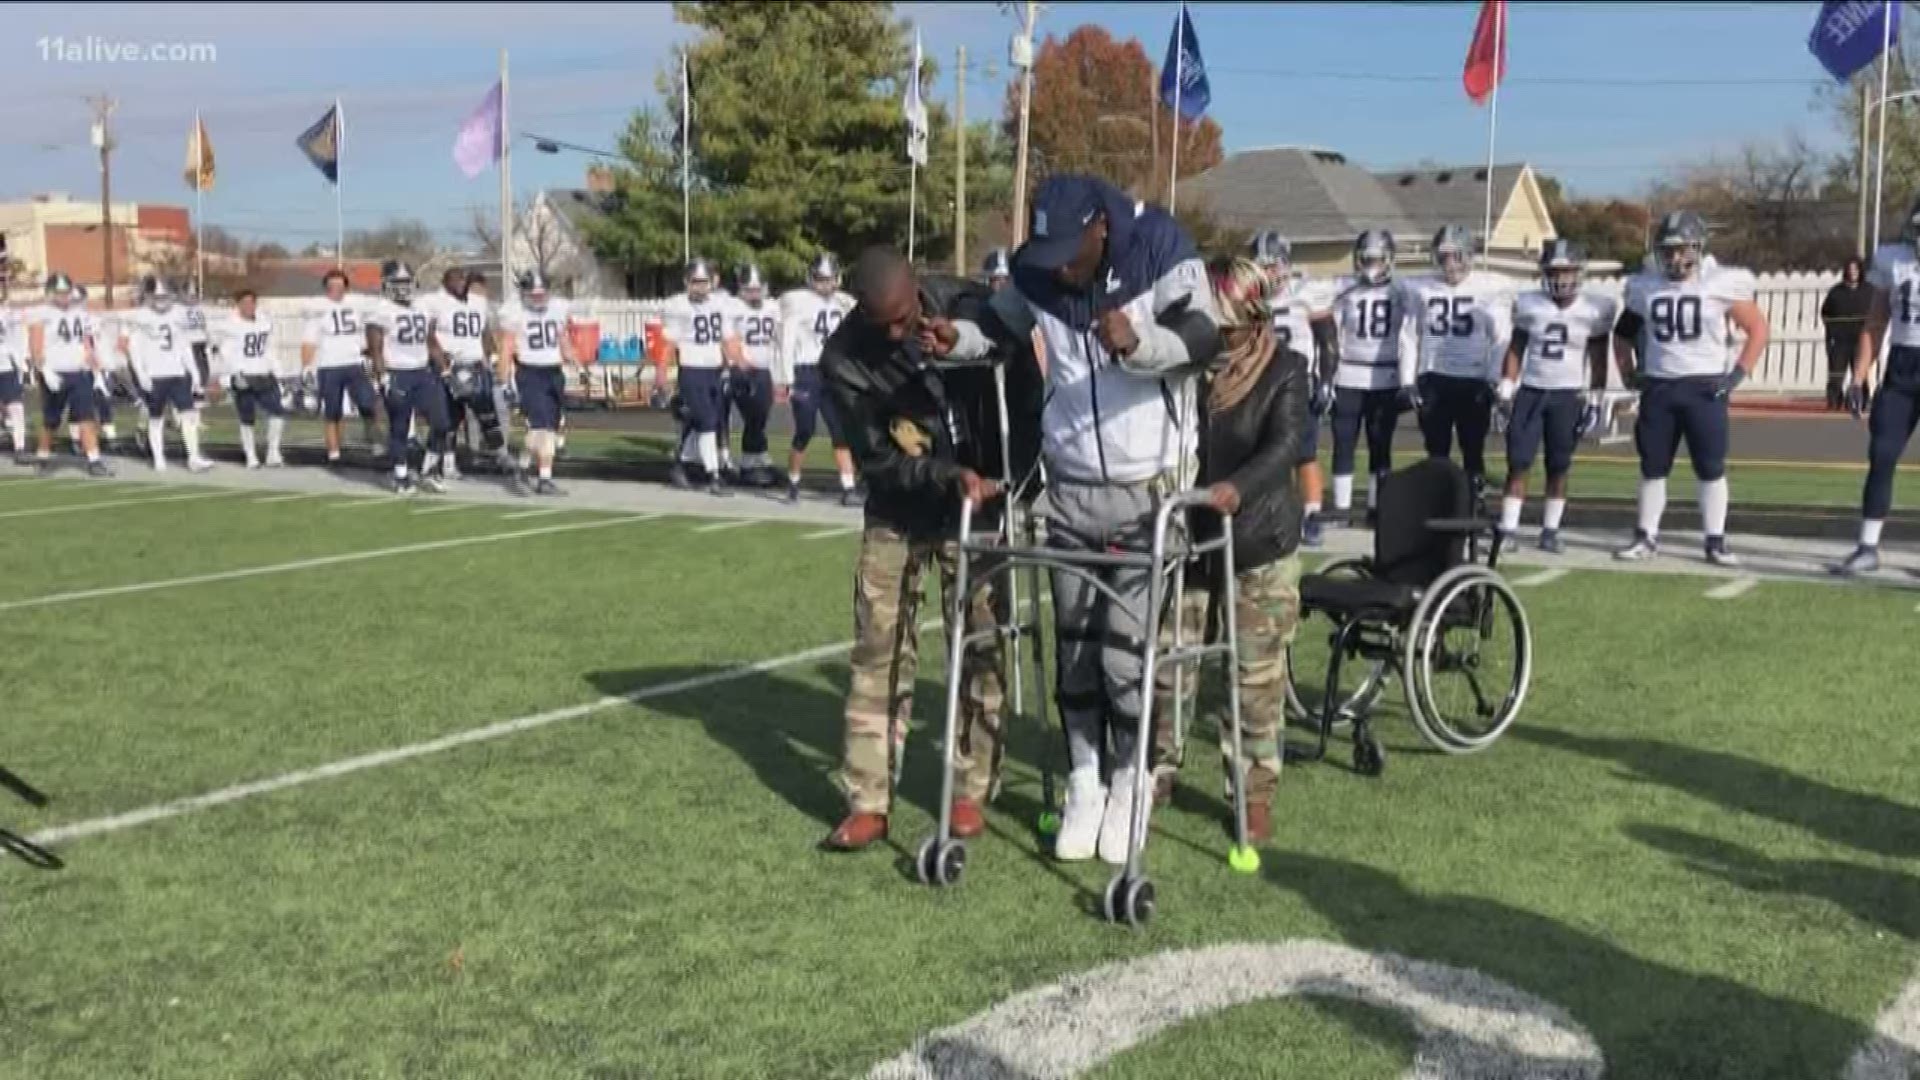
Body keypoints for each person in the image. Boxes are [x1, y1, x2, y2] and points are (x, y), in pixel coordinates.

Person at [947, 173, 1222, 865]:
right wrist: (948, 337)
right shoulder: (1041, 272)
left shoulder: (1161, 247)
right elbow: (998, 327)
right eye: (1050, 252)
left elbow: (1202, 335)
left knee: (1123, 653)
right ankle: (1084, 780)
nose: (1060, 266)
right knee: (1073, 647)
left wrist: (1139, 341)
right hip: (1068, 486)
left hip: (1147, 491)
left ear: (1102, 227)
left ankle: (1130, 780)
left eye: (1072, 250)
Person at [818, 246, 1034, 852]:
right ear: (860, 309)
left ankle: (971, 788)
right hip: (901, 505)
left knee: (982, 644)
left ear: (919, 287)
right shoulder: (842, 358)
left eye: (904, 314)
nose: (897, 330)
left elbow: (1021, 377)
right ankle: (868, 800)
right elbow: (878, 460)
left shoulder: (969, 306)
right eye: (882, 322)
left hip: (981, 501)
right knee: (878, 650)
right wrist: (944, 474)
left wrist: (1012, 471)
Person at [1149, 256, 1309, 843]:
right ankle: (1158, 769)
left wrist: (1235, 489)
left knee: (1252, 677)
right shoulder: (1185, 367)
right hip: (1191, 542)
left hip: (1258, 541)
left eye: (1227, 328)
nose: (1216, 338)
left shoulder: (1285, 369)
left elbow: (1287, 442)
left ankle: (1252, 790)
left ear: (1254, 320)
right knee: (1170, 664)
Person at [1612, 209, 1768, 566]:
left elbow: (1758, 328)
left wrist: (1736, 376)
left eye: (1682, 249)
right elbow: (1621, 335)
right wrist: (1629, 373)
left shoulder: (1719, 283)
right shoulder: (1646, 286)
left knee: (1710, 466)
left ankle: (1715, 540)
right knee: (1652, 466)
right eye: (1668, 250)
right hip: (1660, 387)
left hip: (1704, 387)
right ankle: (1646, 536)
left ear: (1698, 247)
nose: (1674, 257)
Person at [1495, 240, 1617, 553]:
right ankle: (1508, 528)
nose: (1561, 279)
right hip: (1532, 391)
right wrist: (1506, 389)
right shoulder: (1528, 304)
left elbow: (1599, 359)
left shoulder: (1595, 309)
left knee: (1559, 466)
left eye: (1567, 272)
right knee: (1518, 463)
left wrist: (1595, 399)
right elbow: (1516, 348)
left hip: (1568, 395)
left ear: (1580, 273)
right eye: (1554, 272)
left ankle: (1550, 530)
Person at [1834, 199, 1920, 575]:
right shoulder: (1894, 259)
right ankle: (1868, 546)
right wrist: (1859, 374)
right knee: (1882, 453)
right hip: (1903, 365)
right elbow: (1876, 320)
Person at [1401, 225, 1511, 500]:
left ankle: (1476, 503)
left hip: (1472, 378)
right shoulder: (1420, 288)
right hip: (1434, 376)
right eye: (1444, 256)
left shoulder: (1490, 287)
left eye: (1456, 255)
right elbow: (1409, 336)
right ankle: (1440, 502)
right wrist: (1407, 380)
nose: (1450, 263)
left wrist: (1494, 380)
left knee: (1473, 447)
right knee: (1436, 449)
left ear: (1469, 255)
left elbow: (1501, 338)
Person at [1249, 230, 1336, 547]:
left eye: (1274, 265)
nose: (1270, 272)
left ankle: (1312, 516)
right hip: (1260, 381)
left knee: (1304, 454)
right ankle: (1273, 513)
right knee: (1265, 452)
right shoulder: (1249, 296)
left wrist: (1326, 381)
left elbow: (1327, 340)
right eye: (1263, 266)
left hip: (1299, 383)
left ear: (1286, 264)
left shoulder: (1306, 291)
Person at [1328, 229, 1407, 525]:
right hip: (1348, 374)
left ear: (1390, 260)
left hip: (1384, 376)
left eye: (1377, 260)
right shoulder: (1343, 289)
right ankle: (1342, 509)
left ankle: (1377, 509)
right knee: (1344, 444)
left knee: (1380, 446)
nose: (1371, 266)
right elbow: (1331, 331)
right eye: (1366, 260)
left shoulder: (1402, 291)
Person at [780, 253, 860, 505]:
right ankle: (793, 481)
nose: (825, 284)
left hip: (834, 372)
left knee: (841, 431)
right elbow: (787, 341)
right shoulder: (798, 302)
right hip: (806, 370)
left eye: (829, 279)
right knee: (805, 430)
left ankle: (848, 488)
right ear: (810, 279)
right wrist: (786, 376)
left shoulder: (845, 302)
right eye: (820, 279)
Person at [367, 260, 451, 495]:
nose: (403, 288)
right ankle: (400, 475)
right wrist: (382, 377)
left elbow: (431, 342)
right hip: (396, 373)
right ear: (387, 284)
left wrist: (444, 368)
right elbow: (375, 349)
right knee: (400, 427)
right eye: (397, 282)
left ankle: (429, 469)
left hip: (422, 372)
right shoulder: (381, 310)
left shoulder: (422, 307)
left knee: (442, 422)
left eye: (406, 282)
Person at [118, 275, 211, 473]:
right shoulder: (140, 317)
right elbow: (134, 349)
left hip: (177, 373)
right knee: (156, 418)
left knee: (188, 415)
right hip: (155, 375)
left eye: (165, 297)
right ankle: (159, 457)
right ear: (150, 296)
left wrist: (193, 371)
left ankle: (193, 458)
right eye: (157, 297)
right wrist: (141, 373)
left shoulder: (178, 314)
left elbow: (184, 345)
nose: (162, 301)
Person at [26, 272, 111, 476]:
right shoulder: (41, 313)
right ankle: (43, 456)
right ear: (49, 292)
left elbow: (86, 344)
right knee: (52, 420)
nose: (63, 296)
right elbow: (35, 345)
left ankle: (94, 459)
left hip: (79, 372)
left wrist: (97, 371)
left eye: (66, 292)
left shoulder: (80, 313)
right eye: (59, 292)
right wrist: (44, 370)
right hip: (54, 372)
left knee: (86, 417)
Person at [496, 270, 573, 496]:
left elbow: (562, 338)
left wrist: (575, 361)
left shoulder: (558, 308)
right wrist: (504, 380)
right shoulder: (514, 312)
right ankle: (544, 479)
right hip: (530, 373)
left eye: (542, 294)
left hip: (554, 371)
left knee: (551, 426)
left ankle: (522, 466)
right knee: (543, 429)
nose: (539, 299)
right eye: (534, 294)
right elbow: (507, 348)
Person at [421, 268, 502, 480]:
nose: (461, 281)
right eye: (455, 278)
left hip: (474, 366)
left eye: (463, 278)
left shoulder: (478, 302)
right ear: (445, 281)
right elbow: (428, 335)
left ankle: (451, 463)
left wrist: (492, 358)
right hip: (448, 365)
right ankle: (430, 465)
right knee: (443, 419)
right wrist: (442, 364)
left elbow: (485, 332)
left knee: (471, 416)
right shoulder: (435, 302)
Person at [662, 258, 734, 496]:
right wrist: (662, 373)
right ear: (686, 282)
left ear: (712, 282)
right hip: (691, 369)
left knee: (701, 421)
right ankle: (713, 475)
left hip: (713, 369)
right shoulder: (678, 306)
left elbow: (727, 339)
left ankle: (680, 464)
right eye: (695, 282)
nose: (700, 287)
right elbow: (669, 344)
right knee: (707, 422)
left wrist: (737, 363)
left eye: (703, 282)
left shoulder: (720, 304)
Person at [300, 267, 382, 467]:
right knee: (333, 413)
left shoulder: (357, 305)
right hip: (329, 365)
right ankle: (334, 455)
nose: (335, 290)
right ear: (325, 289)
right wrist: (306, 368)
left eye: (339, 286)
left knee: (368, 404)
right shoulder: (318, 310)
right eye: (331, 286)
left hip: (354, 363)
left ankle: (376, 443)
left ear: (346, 287)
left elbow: (373, 325)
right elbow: (309, 342)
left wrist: (371, 353)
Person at [212, 288, 286, 469]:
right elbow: (223, 352)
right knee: (247, 417)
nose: (249, 307)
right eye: (244, 303)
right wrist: (233, 375)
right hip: (244, 374)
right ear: (237, 305)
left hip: (263, 372)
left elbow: (269, 348)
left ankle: (273, 452)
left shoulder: (264, 321)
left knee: (277, 412)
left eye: (251, 302)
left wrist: (278, 371)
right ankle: (251, 455)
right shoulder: (230, 325)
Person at [721, 263, 780, 487]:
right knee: (753, 415)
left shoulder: (774, 306)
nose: (754, 293)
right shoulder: (733, 307)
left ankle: (759, 459)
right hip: (743, 368)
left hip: (766, 368)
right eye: (749, 289)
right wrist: (740, 362)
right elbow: (728, 338)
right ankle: (749, 462)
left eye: (757, 288)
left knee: (761, 416)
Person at [1822, 257, 1871, 412]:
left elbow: (1877, 313)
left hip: (1861, 339)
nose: (1852, 273)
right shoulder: (1836, 292)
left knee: (1859, 374)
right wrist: (1832, 331)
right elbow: (1825, 313)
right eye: (1850, 270)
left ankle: (1860, 402)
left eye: (1855, 270)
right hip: (1840, 340)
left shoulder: (1869, 291)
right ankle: (1834, 402)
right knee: (1836, 374)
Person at [0, 277, 29, 464]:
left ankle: (20, 448)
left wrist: (24, 362)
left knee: (16, 407)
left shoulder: (8, 314)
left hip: (6, 366)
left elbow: (21, 324)